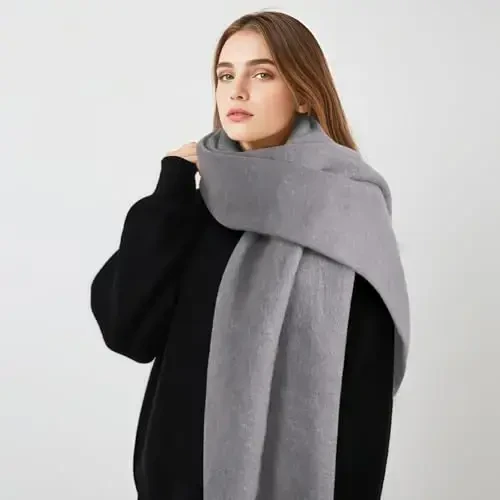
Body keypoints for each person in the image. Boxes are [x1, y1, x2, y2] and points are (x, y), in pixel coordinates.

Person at [90, 10, 400, 500]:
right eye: (225, 75)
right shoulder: (195, 206)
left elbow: (364, 403)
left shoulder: (346, 211)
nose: (236, 91)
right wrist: (171, 188)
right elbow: (126, 329)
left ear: (303, 92)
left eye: (262, 74)